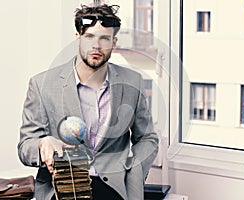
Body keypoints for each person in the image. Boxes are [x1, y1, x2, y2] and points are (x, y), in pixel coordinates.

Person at [18, 3, 158, 200]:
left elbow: (147, 138)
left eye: (104, 38)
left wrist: (133, 170)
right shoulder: (41, 85)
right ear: (78, 37)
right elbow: (25, 147)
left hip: (113, 188)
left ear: (114, 42)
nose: (96, 46)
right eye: (89, 37)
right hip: (61, 189)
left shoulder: (132, 82)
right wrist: (42, 144)